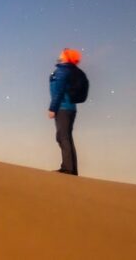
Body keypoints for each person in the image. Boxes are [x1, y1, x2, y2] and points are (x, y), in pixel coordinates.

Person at [48, 47, 82, 175]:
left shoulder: (62, 71)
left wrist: (53, 108)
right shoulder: (68, 70)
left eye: (62, 53)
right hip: (69, 108)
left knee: (63, 137)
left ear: (66, 57)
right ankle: (71, 168)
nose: (60, 54)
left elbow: (59, 91)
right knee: (65, 137)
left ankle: (68, 169)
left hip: (63, 108)